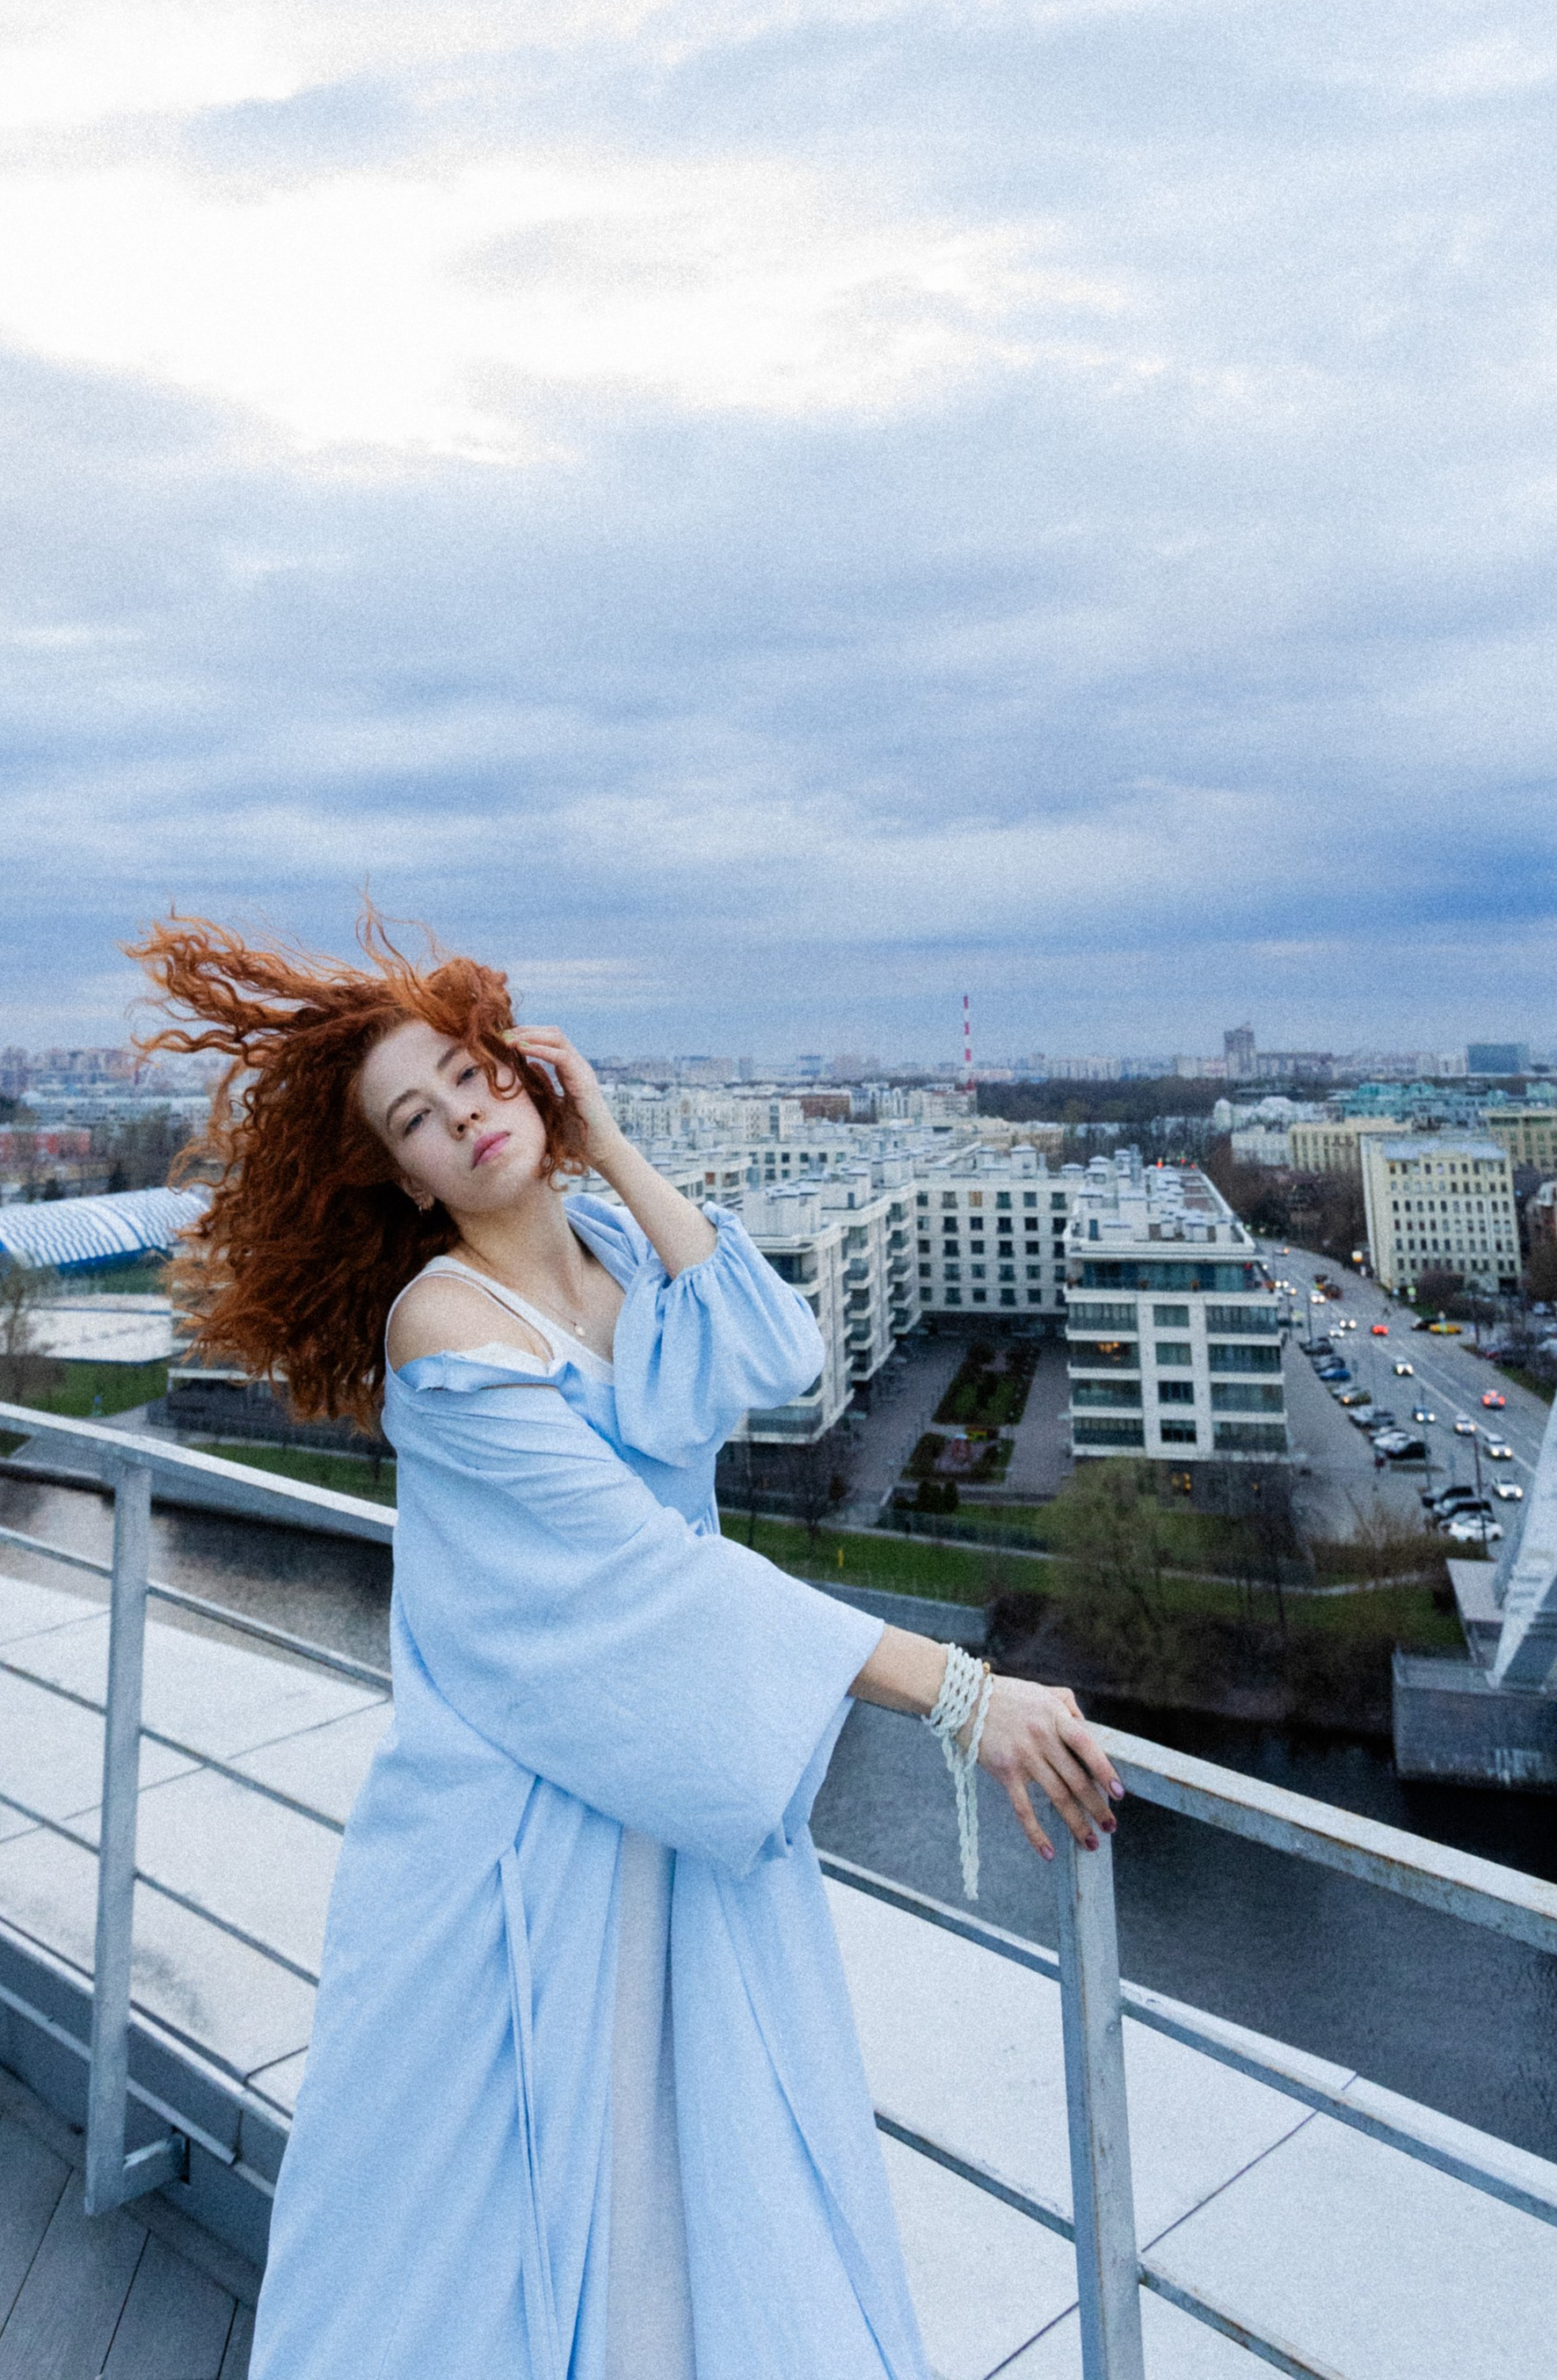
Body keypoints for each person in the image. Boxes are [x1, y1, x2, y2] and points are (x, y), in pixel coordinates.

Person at [134, 911, 1121, 2380]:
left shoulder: (611, 1246)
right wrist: (959, 1692)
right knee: (511, 2240)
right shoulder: (444, 1333)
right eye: (421, 1116)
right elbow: (649, 1581)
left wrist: (611, 1143)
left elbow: (784, 1357)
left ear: (523, 1073)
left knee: (702, 2199)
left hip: (665, 1786)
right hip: (524, 1842)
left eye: (474, 1076)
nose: (465, 1117)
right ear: (399, 1176)